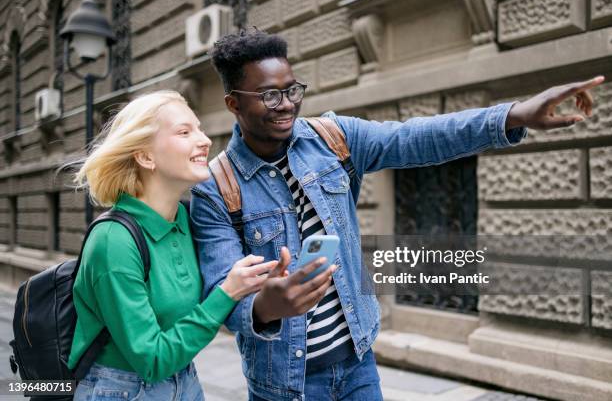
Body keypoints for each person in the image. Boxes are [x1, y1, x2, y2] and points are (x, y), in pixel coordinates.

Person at [190, 30, 603, 401]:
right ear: (233, 103)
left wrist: (515, 114)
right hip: (283, 385)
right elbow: (223, 299)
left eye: (292, 90)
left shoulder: (332, 138)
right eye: (269, 95)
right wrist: (265, 306)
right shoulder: (215, 187)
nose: (287, 105)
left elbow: (416, 137)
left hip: (357, 365)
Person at [68, 91, 281, 400]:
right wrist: (228, 292)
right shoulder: (113, 242)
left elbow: (203, 302)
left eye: (199, 128)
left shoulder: (182, 217)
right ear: (145, 156)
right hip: (122, 390)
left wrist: (258, 284)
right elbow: (152, 360)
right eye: (184, 132)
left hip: (186, 381)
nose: (205, 140)